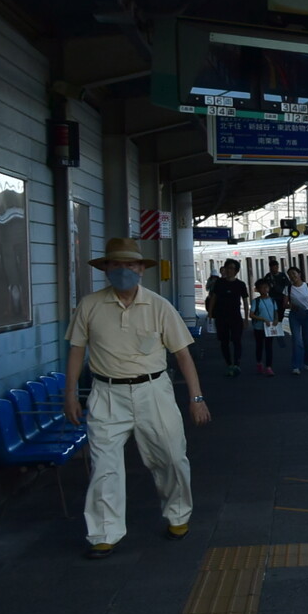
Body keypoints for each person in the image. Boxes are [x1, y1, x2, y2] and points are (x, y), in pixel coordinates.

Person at [63, 238, 211, 559]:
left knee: (171, 456)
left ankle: (178, 514)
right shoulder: (89, 306)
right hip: (106, 393)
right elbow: (76, 350)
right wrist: (70, 394)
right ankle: (104, 533)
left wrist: (196, 397)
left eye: (130, 265)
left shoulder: (159, 306)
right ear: (106, 269)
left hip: (153, 391)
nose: (124, 270)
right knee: (104, 467)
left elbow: (182, 355)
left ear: (142, 269)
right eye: (116, 265)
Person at [207, 261, 249, 377]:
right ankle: (229, 364)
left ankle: (236, 364)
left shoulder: (240, 285)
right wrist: (210, 313)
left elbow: (245, 301)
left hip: (235, 316)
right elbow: (214, 298)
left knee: (237, 340)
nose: (228, 270)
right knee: (224, 341)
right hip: (221, 316)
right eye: (227, 268)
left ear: (236, 271)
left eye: (231, 268)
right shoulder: (219, 283)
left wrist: (246, 318)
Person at [286, 265, 308, 374]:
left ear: (299, 274)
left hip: (307, 314)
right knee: (296, 340)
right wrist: (291, 306)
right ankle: (296, 366)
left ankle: (307, 362)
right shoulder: (288, 288)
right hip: (294, 315)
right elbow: (284, 304)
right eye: (290, 275)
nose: (292, 276)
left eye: (294, 274)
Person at [250, 279, 279, 375]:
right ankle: (259, 362)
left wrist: (276, 319)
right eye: (262, 288)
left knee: (269, 347)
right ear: (258, 290)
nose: (264, 289)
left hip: (269, 328)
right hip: (259, 328)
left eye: (266, 287)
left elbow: (275, 312)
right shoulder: (256, 301)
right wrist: (263, 319)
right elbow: (251, 315)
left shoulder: (272, 300)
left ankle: (268, 367)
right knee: (259, 346)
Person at [264, 258, 291, 323]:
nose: (274, 269)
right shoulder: (268, 276)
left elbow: (288, 285)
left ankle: (279, 323)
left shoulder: (282, 275)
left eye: (276, 267)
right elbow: (264, 285)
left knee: (280, 314)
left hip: (282, 298)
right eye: (273, 268)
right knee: (273, 313)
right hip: (272, 298)